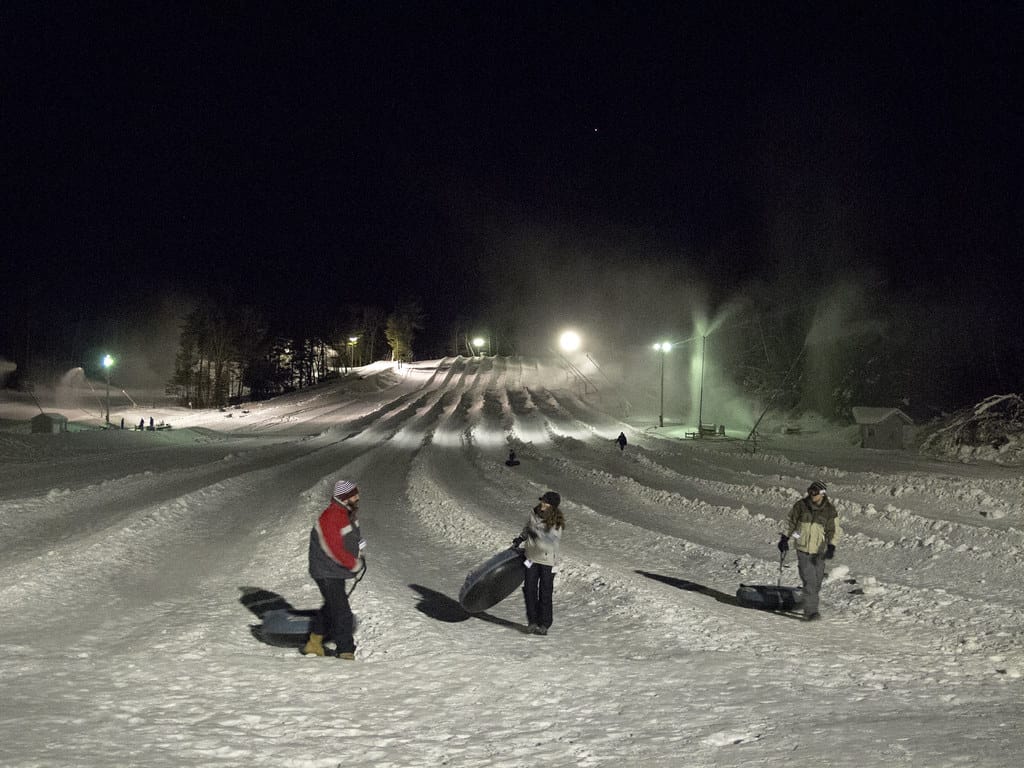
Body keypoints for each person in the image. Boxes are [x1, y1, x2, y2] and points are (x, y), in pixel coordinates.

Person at [303, 479, 365, 658]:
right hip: (326, 570)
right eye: (354, 494)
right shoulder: (330, 517)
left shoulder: (347, 513)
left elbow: (355, 536)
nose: (358, 497)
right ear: (345, 498)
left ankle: (313, 644)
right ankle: (346, 651)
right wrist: (354, 564)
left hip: (334, 570)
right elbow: (333, 549)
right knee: (342, 612)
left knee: (332, 607)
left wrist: (360, 550)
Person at [778, 480, 841, 621]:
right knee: (810, 581)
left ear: (822, 494)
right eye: (810, 491)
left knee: (817, 582)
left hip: (819, 551)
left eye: (815, 492)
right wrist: (784, 538)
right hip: (803, 549)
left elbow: (834, 530)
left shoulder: (830, 510)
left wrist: (831, 545)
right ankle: (811, 612)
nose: (812, 494)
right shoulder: (801, 506)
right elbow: (790, 522)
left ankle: (806, 602)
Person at [512, 490, 565, 635]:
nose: (542, 503)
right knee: (529, 590)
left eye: (546, 502)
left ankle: (545, 624)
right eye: (542, 500)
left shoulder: (556, 522)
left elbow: (551, 542)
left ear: (552, 506)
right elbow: (528, 528)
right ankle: (532, 621)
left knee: (545, 593)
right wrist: (521, 538)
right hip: (531, 558)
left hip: (548, 561)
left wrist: (537, 535)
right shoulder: (534, 513)